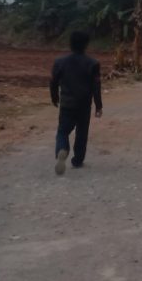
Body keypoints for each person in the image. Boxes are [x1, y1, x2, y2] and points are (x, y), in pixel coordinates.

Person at [50, 31, 103, 175]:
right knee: (82, 132)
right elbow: (96, 87)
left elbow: (53, 82)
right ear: (86, 44)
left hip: (67, 103)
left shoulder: (60, 62)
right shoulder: (93, 63)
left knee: (62, 131)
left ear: (70, 43)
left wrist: (54, 97)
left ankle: (62, 149)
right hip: (84, 104)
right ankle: (78, 160)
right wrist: (98, 106)